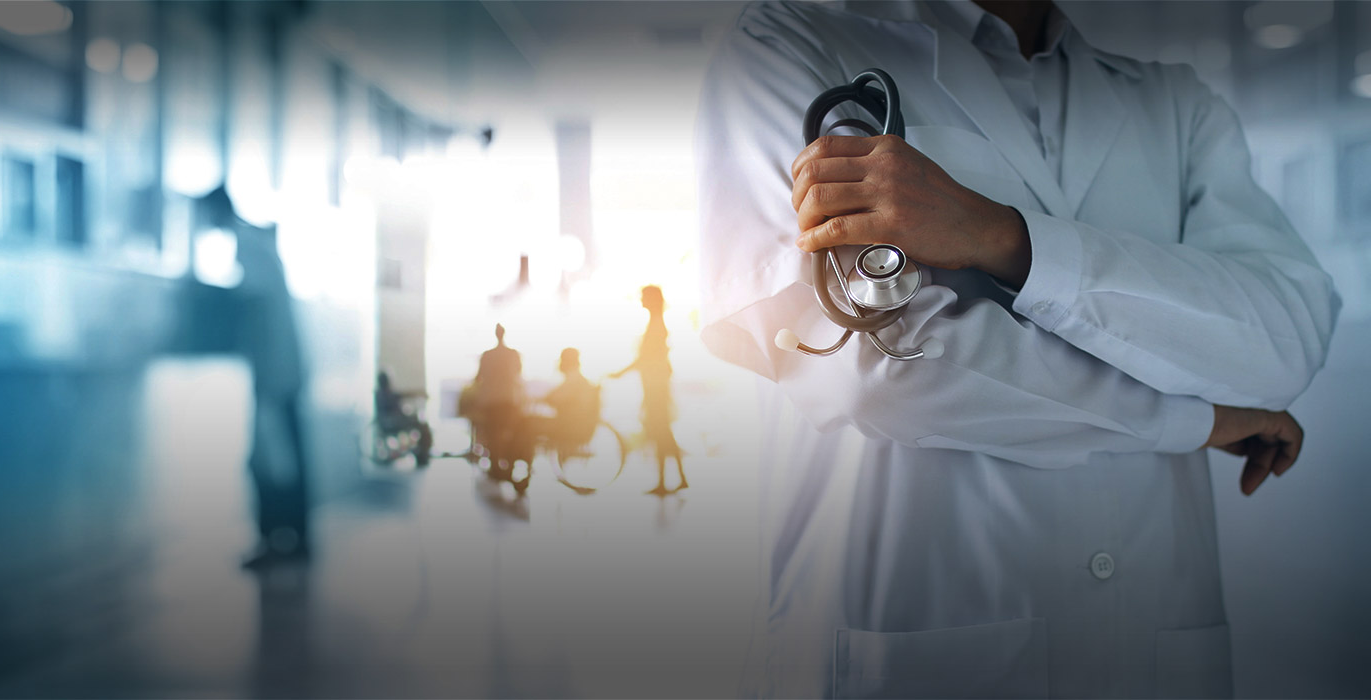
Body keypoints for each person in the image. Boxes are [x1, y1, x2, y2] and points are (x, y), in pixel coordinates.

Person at [695, 1, 1339, 697]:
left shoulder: (1176, 102)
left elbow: (1286, 337)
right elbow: (877, 370)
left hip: (1151, 647)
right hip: (912, 647)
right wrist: (1195, 419)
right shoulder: (787, 41)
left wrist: (1003, 237)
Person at [198, 185, 312, 570]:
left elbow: (249, 298)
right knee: (285, 456)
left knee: (271, 459)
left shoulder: (247, 245)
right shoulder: (257, 242)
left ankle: (278, 540)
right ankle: (293, 539)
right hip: (282, 368)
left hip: (274, 372)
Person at [611, 286, 687, 495]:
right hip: (655, 387)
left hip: (655, 389)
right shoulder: (657, 323)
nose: (640, 301)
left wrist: (620, 373)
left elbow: (645, 358)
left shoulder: (656, 326)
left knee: (660, 432)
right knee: (664, 433)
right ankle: (676, 479)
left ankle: (666, 481)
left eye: (643, 297)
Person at [465, 324, 528, 478]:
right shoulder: (513, 354)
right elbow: (518, 375)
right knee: (508, 432)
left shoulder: (487, 355)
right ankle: (507, 462)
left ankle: (495, 466)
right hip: (508, 400)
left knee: (493, 433)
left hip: (491, 401)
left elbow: (479, 377)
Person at [543, 348, 600, 453]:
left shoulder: (573, 379)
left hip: (570, 426)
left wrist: (545, 398)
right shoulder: (581, 380)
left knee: (528, 424)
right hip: (581, 425)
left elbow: (556, 397)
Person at [374, 370, 432, 466]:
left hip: (390, 423)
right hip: (394, 423)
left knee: (418, 422)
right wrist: (420, 393)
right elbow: (403, 395)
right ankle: (423, 454)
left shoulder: (380, 394)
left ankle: (421, 453)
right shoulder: (387, 394)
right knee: (422, 425)